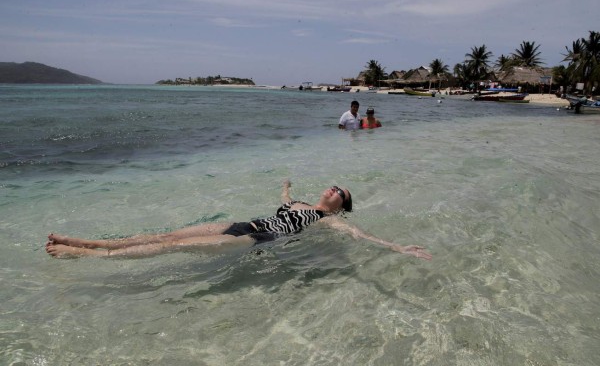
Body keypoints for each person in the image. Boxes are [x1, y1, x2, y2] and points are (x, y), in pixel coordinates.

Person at [45, 180, 432, 260]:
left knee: (171, 248)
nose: (333, 190)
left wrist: (397, 247)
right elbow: (283, 200)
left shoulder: (327, 221)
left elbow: (360, 234)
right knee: (166, 234)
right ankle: (89, 241)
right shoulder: (299, 202)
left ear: (339, 206)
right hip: (240, 225)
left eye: (340, 194)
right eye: (333, 186)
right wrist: (285, 186)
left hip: (254, 241)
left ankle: (85, 254)